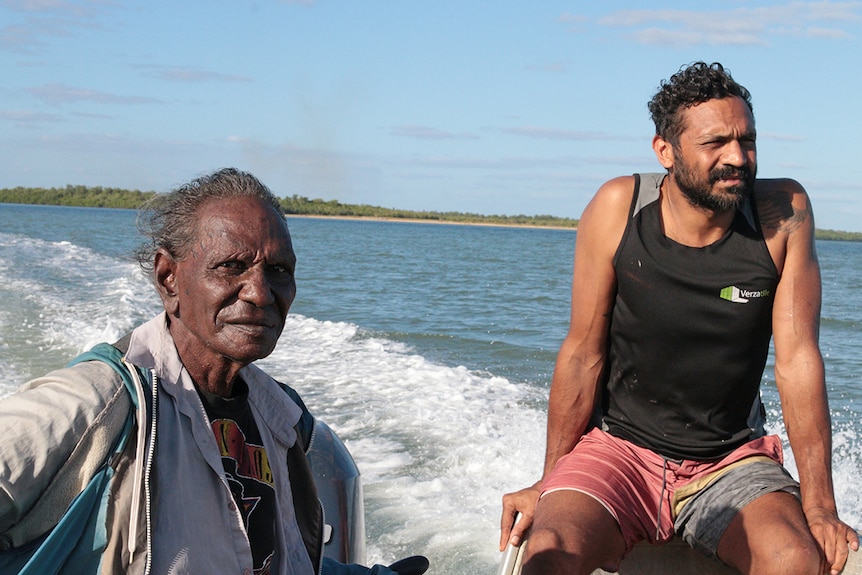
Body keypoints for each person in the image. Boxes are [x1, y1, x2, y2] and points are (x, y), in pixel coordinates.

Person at [499, 62, 859, 575]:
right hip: (619, 450)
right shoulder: (618, 208)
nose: (737, 157)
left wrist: (821, 506)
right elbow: (583, 353)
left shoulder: (783, 213)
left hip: (731, 459)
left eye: (747, 140)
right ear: (665, 151)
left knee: (796, 559)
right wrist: (549, 481)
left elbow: (798, 360)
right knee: (550, 550)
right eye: (716, 143)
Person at [0, 168, 425, 575]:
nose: (260, 293)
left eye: (278, 270)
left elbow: (258, 557)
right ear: (169, 279)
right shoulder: (98, 403)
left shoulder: (281, 418)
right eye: (232, 266)